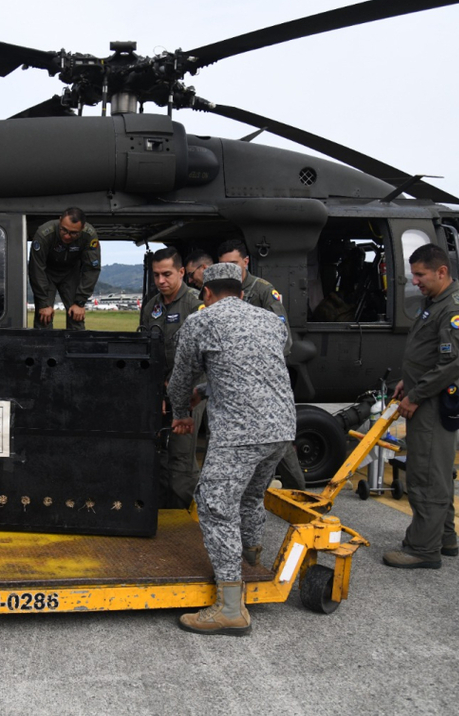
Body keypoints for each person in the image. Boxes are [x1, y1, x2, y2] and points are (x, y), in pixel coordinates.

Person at [167, 262, 295, 635]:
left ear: (206, 292)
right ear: (240, 289)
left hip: (241, 432)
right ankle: (251, 557)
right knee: (252, 496)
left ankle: (229, 607)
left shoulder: (202, 321)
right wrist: (208, 391)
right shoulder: (270, 321)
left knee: (213, 504)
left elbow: (181, 378)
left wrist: (181, 412)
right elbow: (251, 370)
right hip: (282, 428)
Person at [383, 243, 459, 569]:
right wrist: (407, 383)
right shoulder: (435, 302)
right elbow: (428, 354)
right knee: (437, 473)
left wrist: (416, 395)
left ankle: (423, 549)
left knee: (425, 474)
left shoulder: (454, 309)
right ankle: (445, 538)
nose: (416, 281)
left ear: (441, 272)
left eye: (420, 275)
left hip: (432, 403)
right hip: (424, 394)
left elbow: (451, 364)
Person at [215, 239, 303, 490]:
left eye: (233, 264)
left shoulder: (263, 290)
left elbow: (283, 336)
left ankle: (301, 497)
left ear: (246, 262)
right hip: (233, 382)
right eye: (223, 266)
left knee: (279, 440)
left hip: (263, 381)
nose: (228, 271)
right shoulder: (219, 292)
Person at [140, 248, 205, 508]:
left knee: (181, 454)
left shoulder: (195, 304)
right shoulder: (152, 306)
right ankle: (166, 509)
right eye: (156, 275)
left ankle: (191, 511)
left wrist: (176, 391)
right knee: (159, 451)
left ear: (181, 272)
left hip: (190, 391)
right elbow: (146, 350)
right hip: (160, 390)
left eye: (167, 274)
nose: (161, 281)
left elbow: (201, 357)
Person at [29, 208, 100, 331]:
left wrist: (80, 302)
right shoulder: (44, 234)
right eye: (64, 230)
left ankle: (76, 349)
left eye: (73, 233)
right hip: (46, 274)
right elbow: (36, 268)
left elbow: (91, 269)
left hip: (71, 274)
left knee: (76, 317)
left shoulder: (89, 235)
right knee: (44, 317)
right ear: (60, 220)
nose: (67, 236)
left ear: (82, 228)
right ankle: (43, 349)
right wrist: (44, 303)